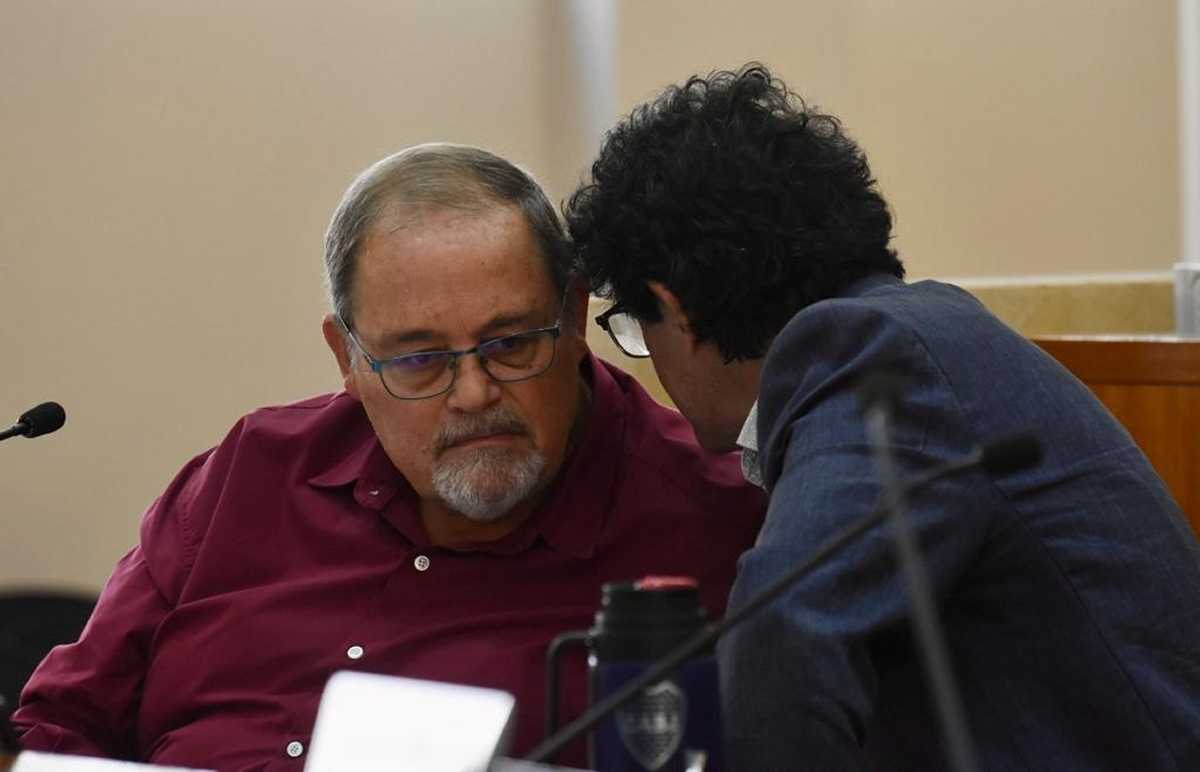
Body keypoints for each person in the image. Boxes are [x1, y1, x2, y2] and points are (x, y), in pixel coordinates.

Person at [12, 144, 766, 770]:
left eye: (509, 344)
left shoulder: (713, 517)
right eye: (419, 359)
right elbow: (55, 729)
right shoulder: (249, 475)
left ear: (572, 319)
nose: (473, 393)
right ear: (347, 357)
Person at [566, 64, 1200, 770]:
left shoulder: (868, 355)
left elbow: (785, 639)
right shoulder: (924, 334)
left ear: (675, 309)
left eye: (637, 329)